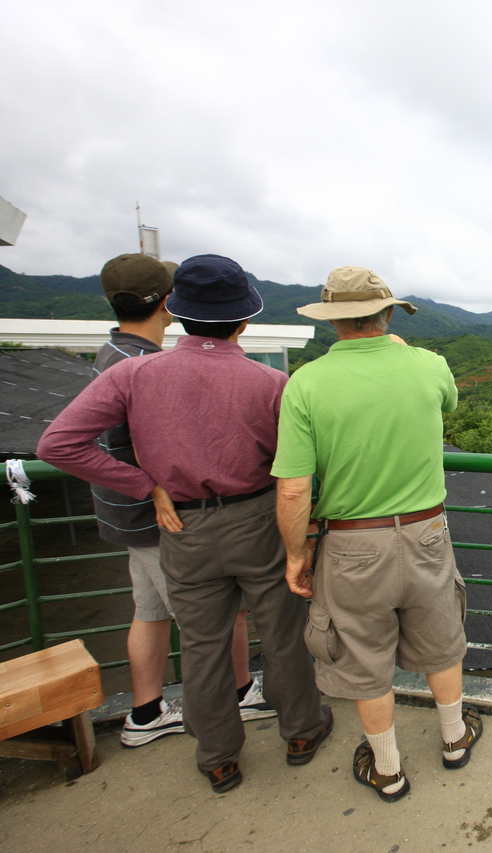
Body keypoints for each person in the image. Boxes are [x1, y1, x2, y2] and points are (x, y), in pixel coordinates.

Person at [38, 254, 331, 793]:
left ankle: (218, 757)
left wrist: (143, 485)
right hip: (258, 521)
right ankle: (301, 732)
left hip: (181, 525)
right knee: (284, 634)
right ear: (245, 320)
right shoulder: (272, 382)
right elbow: (299, 468)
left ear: (175, 309)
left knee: (201, 644)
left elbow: (57, 444)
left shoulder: (132, 374)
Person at [273, 266, 480, 803]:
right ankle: (454, 739)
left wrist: (296, 555)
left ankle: (388, 771)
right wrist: (403, 354)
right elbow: (448, 405)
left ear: (331, 321)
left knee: (363, 657)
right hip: (427, 533)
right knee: (441, 640)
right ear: (388, 313)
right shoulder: (430, 365)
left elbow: (293, 489)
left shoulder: (305, 383)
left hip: (350, 546)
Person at [87, 254, 272, 749]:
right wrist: (147, 486)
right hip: (166, 518)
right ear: (169, 302)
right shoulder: (139, 366)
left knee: (149, 613)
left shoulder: (114, 352)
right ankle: (236, 697)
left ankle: (146, 712)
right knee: (213, 620)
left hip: (131, 518)